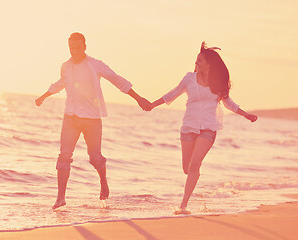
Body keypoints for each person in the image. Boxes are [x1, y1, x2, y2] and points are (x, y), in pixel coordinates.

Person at [35, 32, 151, 210]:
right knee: (64, 156)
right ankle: (60, 198)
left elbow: (116, 79)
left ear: (85, 47)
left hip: (92, 119)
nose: (74, 51)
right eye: (71, 47)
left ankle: (103, 182)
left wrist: (138, 98)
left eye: (77, 47)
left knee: (95, 158)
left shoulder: (95, 65)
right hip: (71, 117)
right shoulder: (65, 66)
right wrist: (44, 96)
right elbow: (61, 83)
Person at [148, 42, 258, 214]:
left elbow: (228, 103)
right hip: (189, 126)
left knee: (194, 165)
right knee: (187, 168)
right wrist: (152, 104)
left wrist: (246, 114)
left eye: (200, 60)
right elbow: (173, 93)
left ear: (209, 64)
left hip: (209, 127)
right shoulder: (188, 79)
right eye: (196, 60)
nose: (196, 63)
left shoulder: (218, 83)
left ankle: (183, 205)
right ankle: (194, 175)